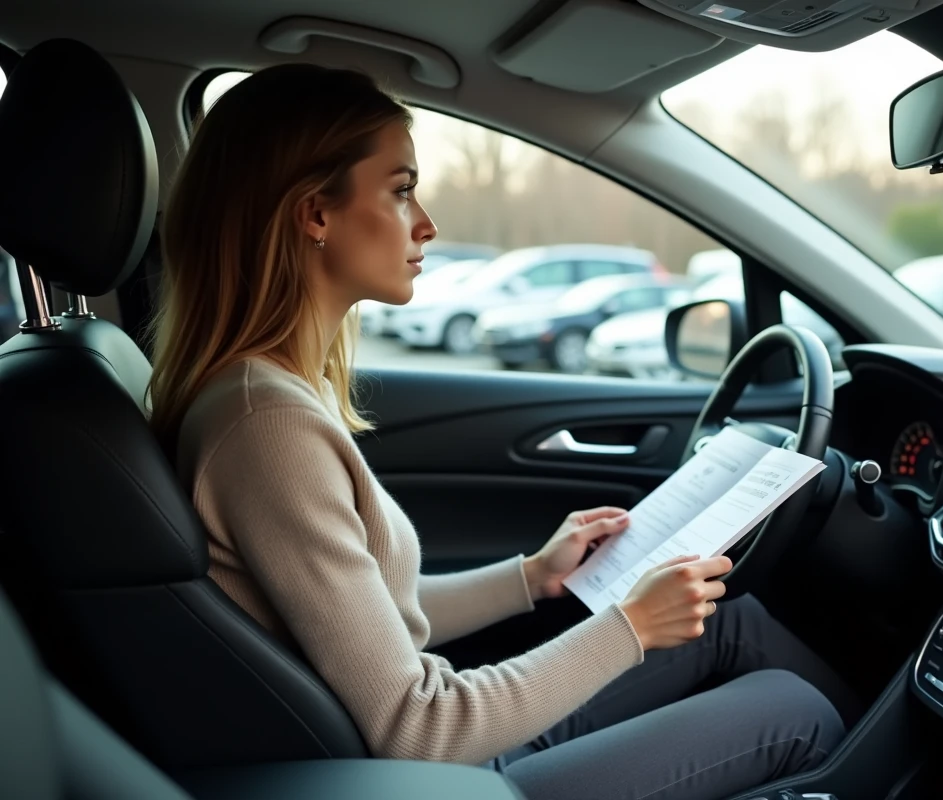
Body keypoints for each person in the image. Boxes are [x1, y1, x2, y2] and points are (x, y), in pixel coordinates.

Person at [148, 64, 853, 800]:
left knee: (731, 622)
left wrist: (533, 576)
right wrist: (630, 625)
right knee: (795, 714)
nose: (426, 223)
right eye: (399, 190)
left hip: (426, 757)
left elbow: (375, 617)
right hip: (440, 778)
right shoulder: (269, 428)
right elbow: (417, 730)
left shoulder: (269, 396)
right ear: (314, 214)